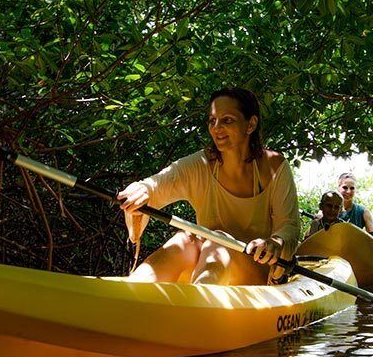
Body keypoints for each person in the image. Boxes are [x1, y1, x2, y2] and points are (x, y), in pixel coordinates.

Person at [117, 87, 301, 286]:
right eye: (212, 121)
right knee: (185, 239)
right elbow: (157, 185)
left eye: (227, 120)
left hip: (257, 274)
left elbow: (289, 227)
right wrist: (142, 190)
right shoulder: (201, 164)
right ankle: (131, 290)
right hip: (208, 268)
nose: (216, 128)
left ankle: (194, 302)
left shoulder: (274, 166)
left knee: (216, 240)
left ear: (250, 124)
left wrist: (275, 243)